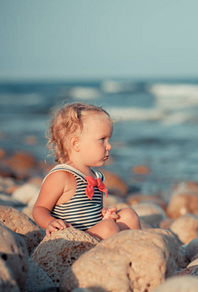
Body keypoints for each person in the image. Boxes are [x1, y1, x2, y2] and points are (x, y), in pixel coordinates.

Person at [33, 102, 141, 240]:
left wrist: (104, 215)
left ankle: (136, 251)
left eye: (109, 140)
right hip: (71, 239)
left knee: (128, 215)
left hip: (92, 233)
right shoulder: (62, 176)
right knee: (109, 227)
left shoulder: (96, 176)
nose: (109, 146)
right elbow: (39, 209)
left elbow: (91, 213)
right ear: (76, 144)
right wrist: (49, 222)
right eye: (102, 140)